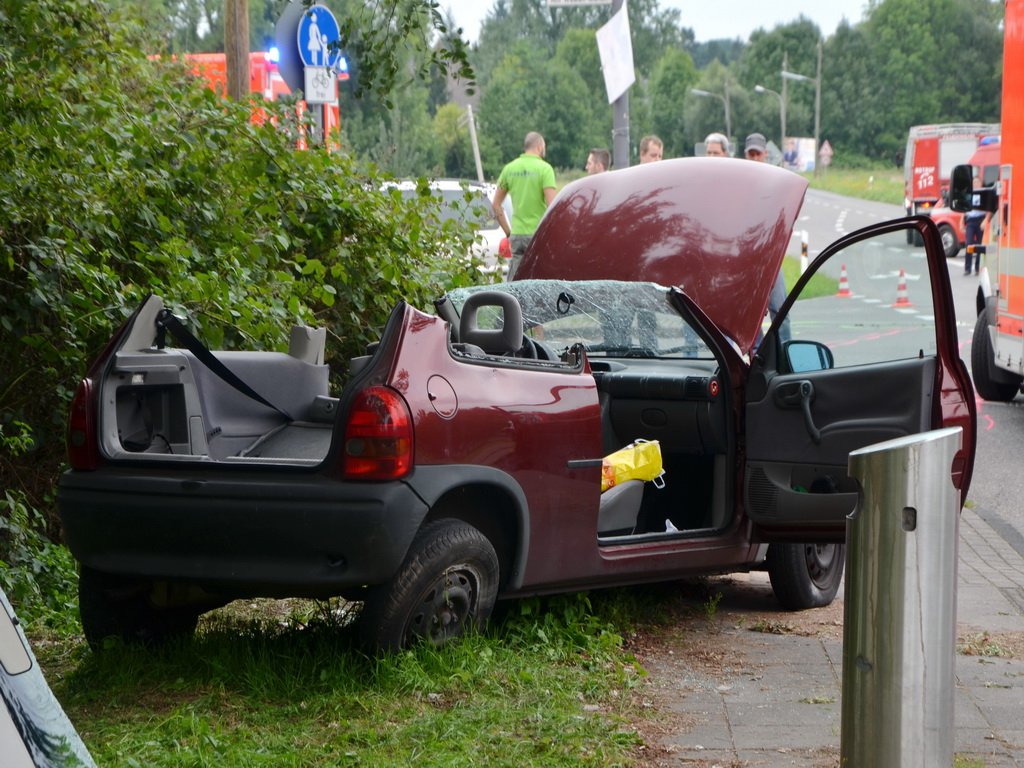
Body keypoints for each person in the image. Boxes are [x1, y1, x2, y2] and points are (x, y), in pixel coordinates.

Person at [744, 132, 792, 346]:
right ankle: (758, 361)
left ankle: (786, 359)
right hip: (748, 258)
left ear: (765, 154)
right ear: (746, 155)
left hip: (771, 256)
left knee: (780, 310)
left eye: (758, 154)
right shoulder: (740, 184)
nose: (754, 158)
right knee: (748, 316)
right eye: (750, 154)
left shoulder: (776, 182)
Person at [492, 132, 557, 280]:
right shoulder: (545, 169)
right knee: (538, 282)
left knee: (516, 282)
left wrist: (509, 233)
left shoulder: (509, 169)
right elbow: (553, 206)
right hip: (537, 235)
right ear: (540, 147)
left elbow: (496, 205)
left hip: (517, 234)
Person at [964, 176, 988, 276]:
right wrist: (962, 221)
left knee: (980, 245)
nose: (976, 184)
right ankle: (967, 268)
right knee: (969, 243)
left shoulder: (984, 194)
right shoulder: (969, 194)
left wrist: (986, 220)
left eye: (978, 182)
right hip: (970, 220)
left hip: (980, 219)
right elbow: (965, 209)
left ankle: (978, 267)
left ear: (981, 184)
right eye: (974, 182)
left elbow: (988, 208)